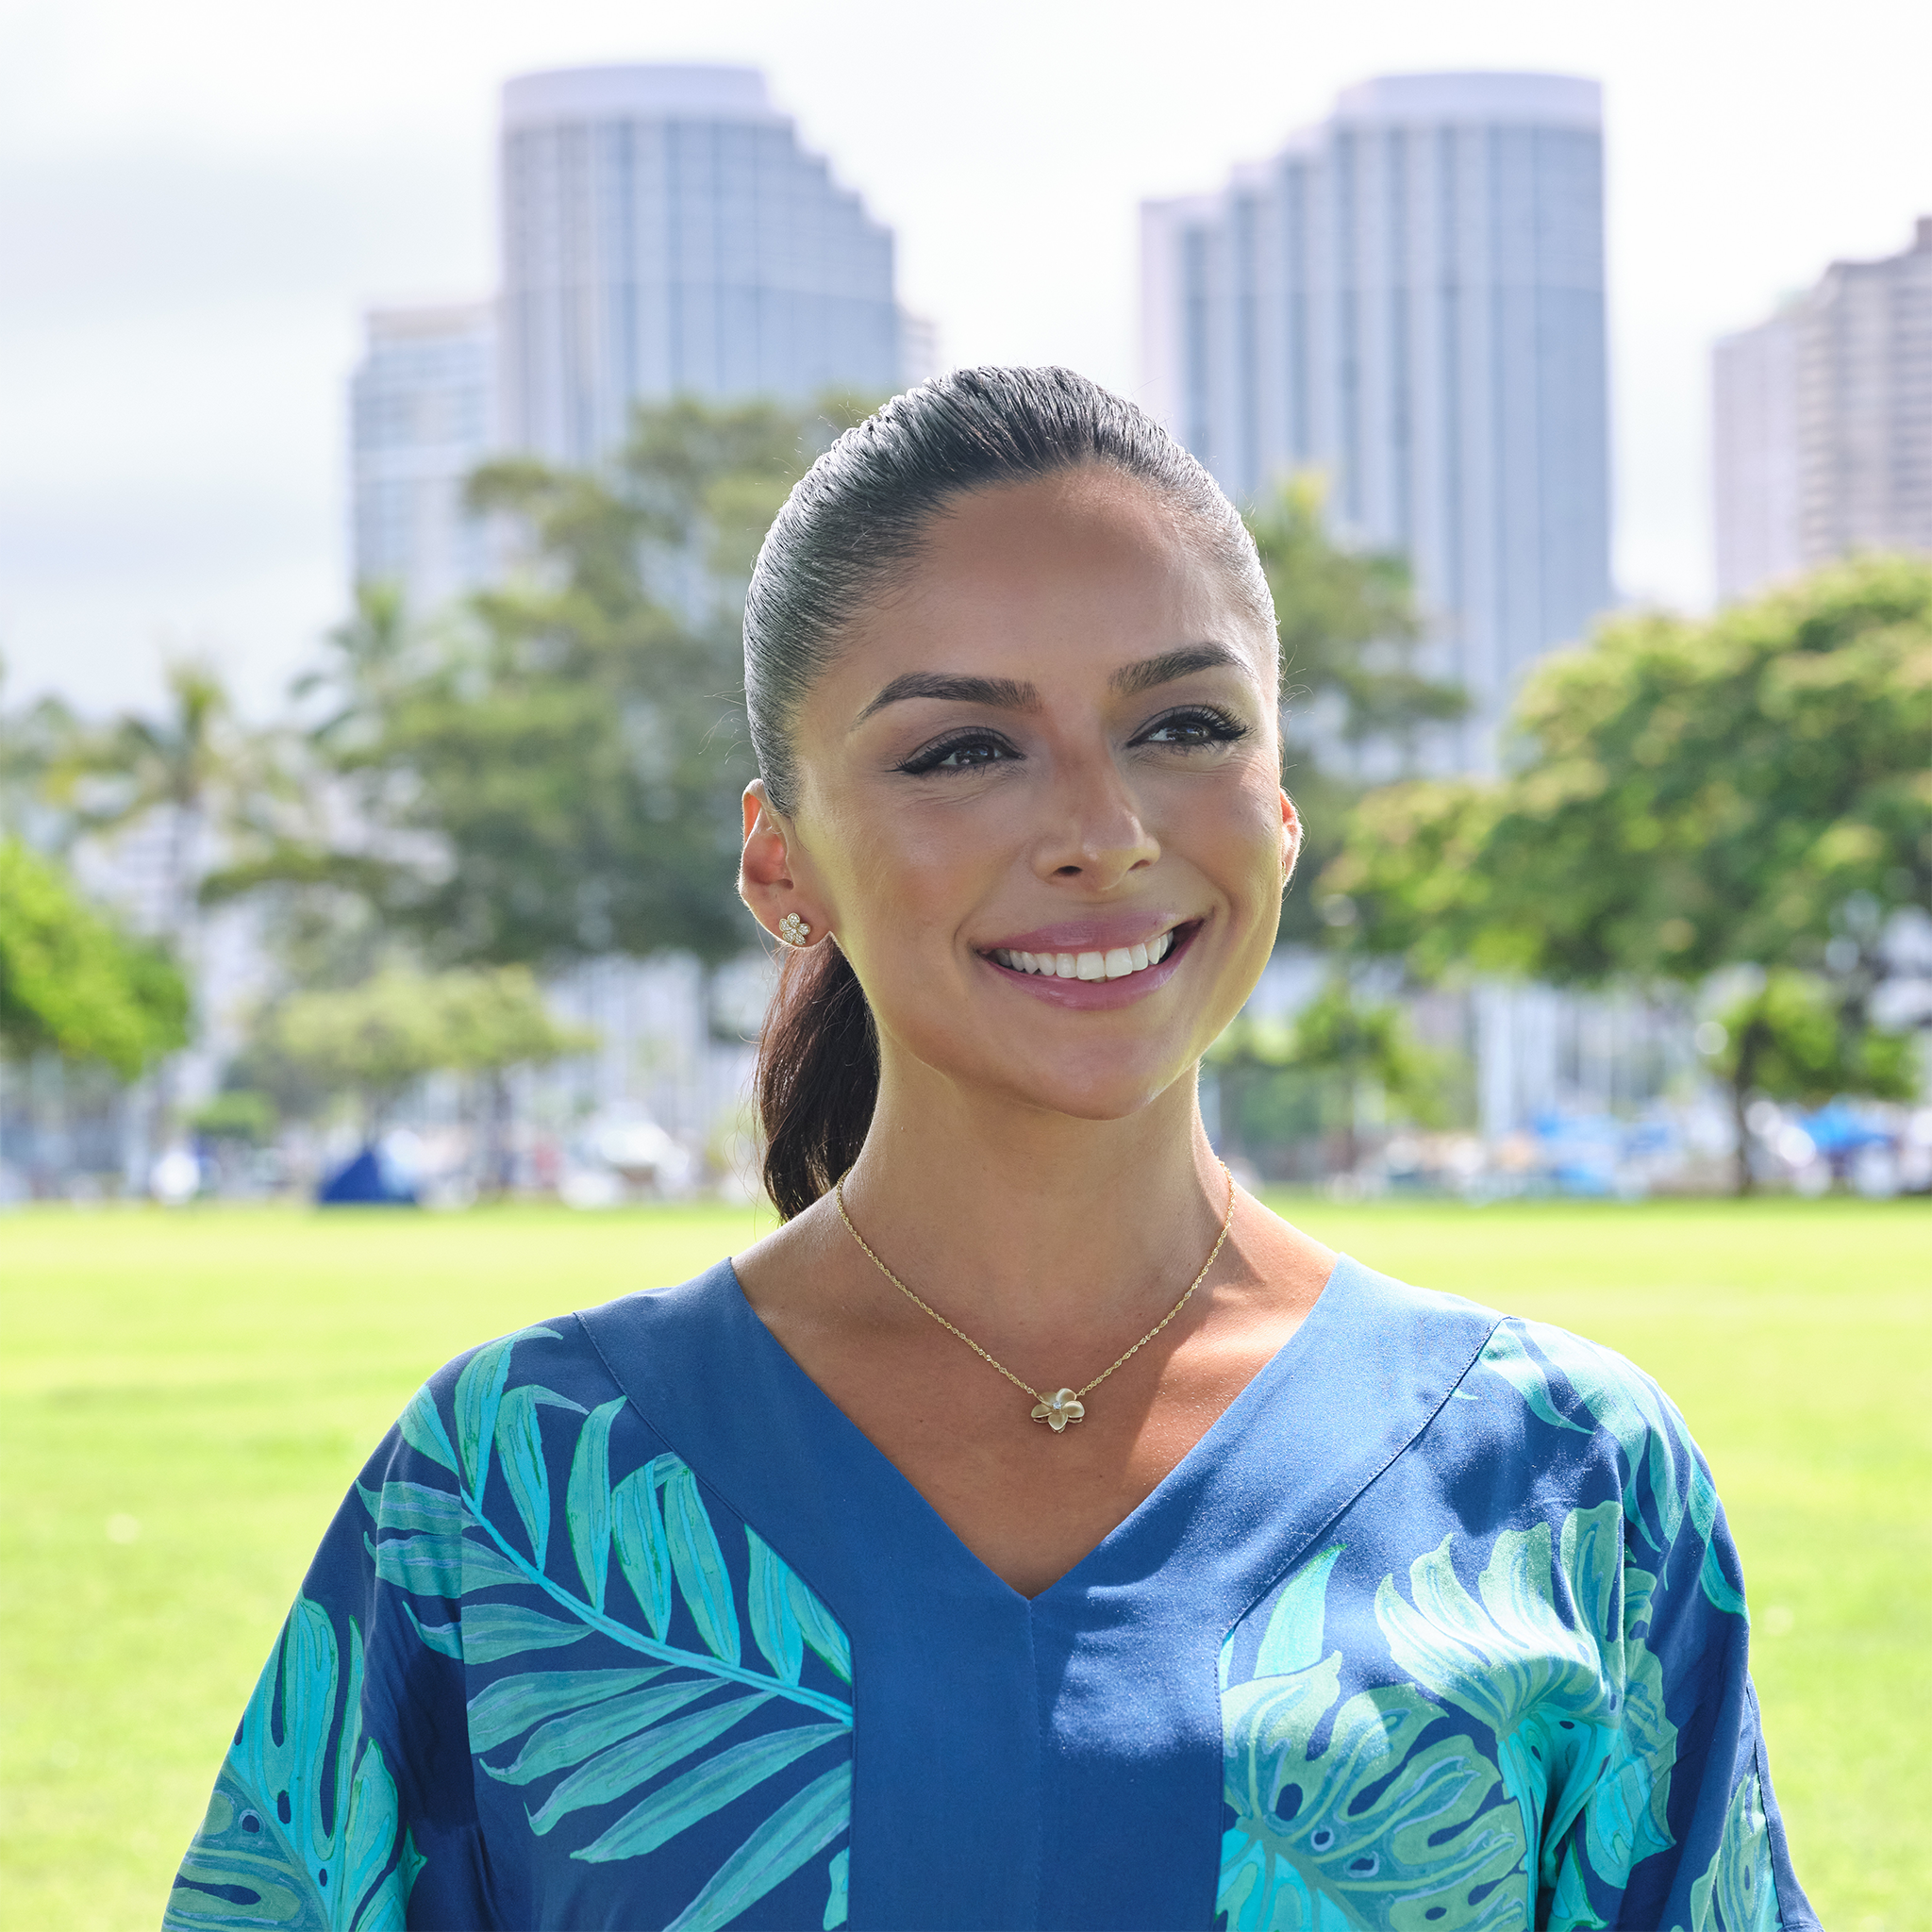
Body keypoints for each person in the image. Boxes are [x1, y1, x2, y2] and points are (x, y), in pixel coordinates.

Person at [164, 368, 1814, 1932]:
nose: (1102, 831)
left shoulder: (1569, 1475)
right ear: (778, 861)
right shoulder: (512, 1488)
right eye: (964, 748)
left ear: (1285, 810)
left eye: (1184, 727)